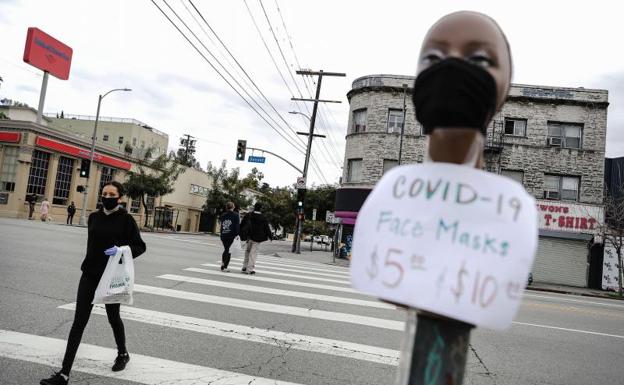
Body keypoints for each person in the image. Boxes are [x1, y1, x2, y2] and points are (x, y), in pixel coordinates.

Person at [40, 181, 146, 385]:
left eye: (111, 194)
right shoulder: (94, 217)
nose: (107, 197)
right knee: (78, 323)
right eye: (104, 193)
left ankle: (123, 353)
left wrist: (121, 250)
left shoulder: (126, 220)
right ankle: (64, 374)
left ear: (120, 197)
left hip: (111, 278)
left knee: (113, 318)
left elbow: (140, 246)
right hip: (89, 275)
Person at [239, 202, 272, 275]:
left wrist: (240, 233)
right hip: (257, 238)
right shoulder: (263, 217)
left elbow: (242, 224)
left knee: (247, 252)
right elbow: (267, 228)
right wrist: (270, 236)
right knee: (253, 253)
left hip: (248, 237)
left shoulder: (249, 215)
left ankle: (244, 266)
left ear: (254, 207)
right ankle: (250, 269)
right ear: (261, 208)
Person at [219, 201, 240, 272]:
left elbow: (221, 224)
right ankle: (225, 267)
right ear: (233, 207)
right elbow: (237, 225)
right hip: (231, 235)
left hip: (223, 234)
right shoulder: (236, 215)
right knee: (228, 250)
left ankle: (223, 263)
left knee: (226, 249)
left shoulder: (223, 215)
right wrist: (237, 234)